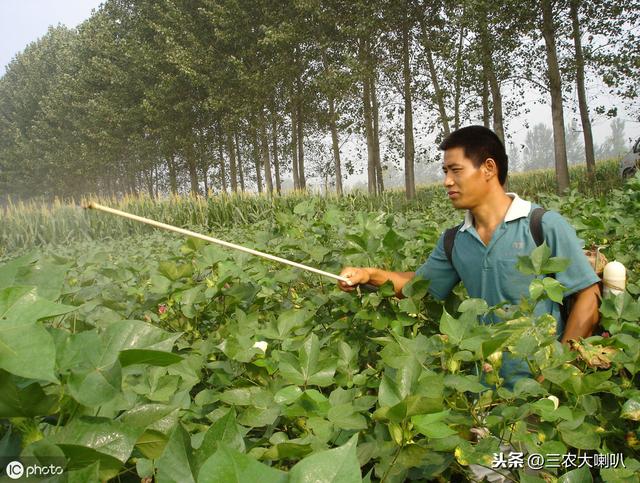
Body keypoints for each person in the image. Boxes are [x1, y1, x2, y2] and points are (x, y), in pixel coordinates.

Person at [338, 125, 600, 387]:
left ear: (489, 168)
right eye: (445, 171)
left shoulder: (542, 225)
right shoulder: (455, 240)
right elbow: (418, 287)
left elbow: (587, 299)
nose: (447, 181)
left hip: (542, 392)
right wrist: (368, 275)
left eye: (456, 170)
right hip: (483, 392)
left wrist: (554, 377)